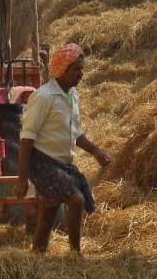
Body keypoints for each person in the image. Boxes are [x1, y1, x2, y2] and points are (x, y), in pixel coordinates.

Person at [14, 43, 112, 254]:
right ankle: (75, 254)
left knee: (48, 216)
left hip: (61, 165)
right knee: (76, 199)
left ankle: (36, 257)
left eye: (82, 68)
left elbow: (75, 133)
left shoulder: (72, 95)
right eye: (76, 69)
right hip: (41, 162)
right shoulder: (43, 97)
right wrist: (22, 178)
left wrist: (97, 152)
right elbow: (27, 137)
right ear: (61, 70)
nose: (81, 74)